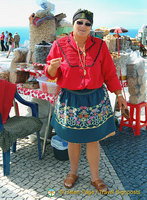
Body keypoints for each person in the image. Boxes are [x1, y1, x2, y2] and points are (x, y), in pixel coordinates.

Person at [44, 9, 127, 193]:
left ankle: (95, 178)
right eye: (79, 22)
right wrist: (51, 67)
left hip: (95, 99)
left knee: (93, 140)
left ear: (91, 27)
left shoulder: (100, 45)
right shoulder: (59, 45)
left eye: (87, 23)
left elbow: (109, 73)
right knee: (73, 140)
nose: (83, 26)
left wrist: (119, 95)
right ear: (73, 24)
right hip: (71, 99)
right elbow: (51, 75)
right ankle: (73, 173)